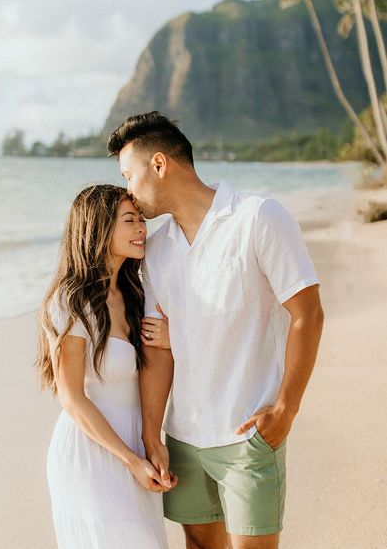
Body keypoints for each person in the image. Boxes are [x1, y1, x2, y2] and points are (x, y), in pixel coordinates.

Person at [107, 112, 325, 549]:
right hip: (184, 438)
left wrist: (285, 410)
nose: (127, 191)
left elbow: (308, 314)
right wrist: (153, 432)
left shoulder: (257, 217)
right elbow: (159, 348)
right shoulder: (157, 249)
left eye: (129, 175)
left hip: (248, 434)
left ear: (160, 165)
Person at [36, 184, 175, 549]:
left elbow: (158, 367)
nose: (142, 229)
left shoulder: (136, 294)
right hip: (90, 452)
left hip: (134, 442)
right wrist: (130, 460)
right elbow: (72, 398)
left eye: (142, 220)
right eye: (130, 221)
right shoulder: (70, 301)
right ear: (97, 228)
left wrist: (172, 339)